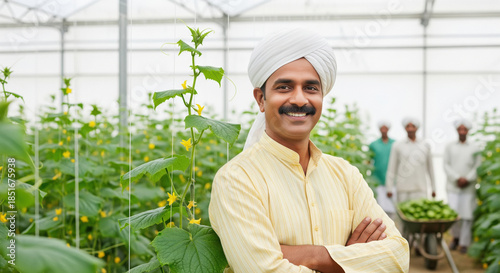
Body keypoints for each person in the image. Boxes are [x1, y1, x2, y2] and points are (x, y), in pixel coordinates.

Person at [209, 28, 409, 273]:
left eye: (311, 88)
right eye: (284, 87)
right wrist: (348, 260)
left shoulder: (345, 175)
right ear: (260, 99)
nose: (300, 99)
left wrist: (314, 257)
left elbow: (398, 255)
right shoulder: (238, 179)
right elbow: (265, 271)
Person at [443, 118, 481, 254]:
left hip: (468, 188)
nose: (462, 131)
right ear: (457, 131)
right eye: (460, 129)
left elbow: (478, 166)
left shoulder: (475, 148)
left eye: (465, 129)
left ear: (468, 131)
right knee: (454, 215)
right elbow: (446, 165)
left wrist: (468, 179)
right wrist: (457, 178)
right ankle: (456, 238)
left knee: (467, 216)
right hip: (453, 187)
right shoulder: (450, 147)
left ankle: (464, 243)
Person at [386, 117, 436, 203]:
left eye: (413, 126)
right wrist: (389, 188)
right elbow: (392, 167)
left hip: (421, 189)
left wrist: (434, 188)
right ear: (405, 128)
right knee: (403, 214)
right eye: (408, 126)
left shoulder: (425, 145)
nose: (410, 129)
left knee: (420, 215)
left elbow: (430, 169)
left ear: (417, 128)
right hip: (403, 190)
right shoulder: (397, 145)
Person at [369, 121, 396, 218]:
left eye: (385, 128)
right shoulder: (373, 144)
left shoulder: (394, 144)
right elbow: (368, 161)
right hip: (377, 179)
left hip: (393, 180)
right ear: (379, 129)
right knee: (380, 207)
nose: (384, 130)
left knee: (392, 208)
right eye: (382, 128)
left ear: (388, 129)